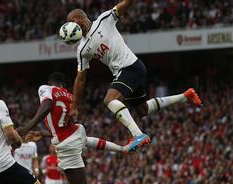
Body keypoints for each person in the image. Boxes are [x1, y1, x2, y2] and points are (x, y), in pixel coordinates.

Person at [65, 0, 203, 151]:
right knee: (142, 110)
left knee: (109, 100)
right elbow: (80, 79)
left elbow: (124, 5)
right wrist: (74, 107)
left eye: (71, 21)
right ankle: (185, 97)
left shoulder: (104, 20)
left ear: (81, 17)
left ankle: (138, 134)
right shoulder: (82, 49)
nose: (70, 25)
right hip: (124, 72)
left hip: (130, 67)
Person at [18, 72, 141, 184]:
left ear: (51, 82)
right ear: (63, 85)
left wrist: (27, 127)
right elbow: (63, 124)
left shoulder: (45, 89)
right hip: (76, 132)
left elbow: (47, 105)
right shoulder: (71, 97)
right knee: (85, 140)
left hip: (66, 144)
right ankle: (123, 149)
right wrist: (44, 133)